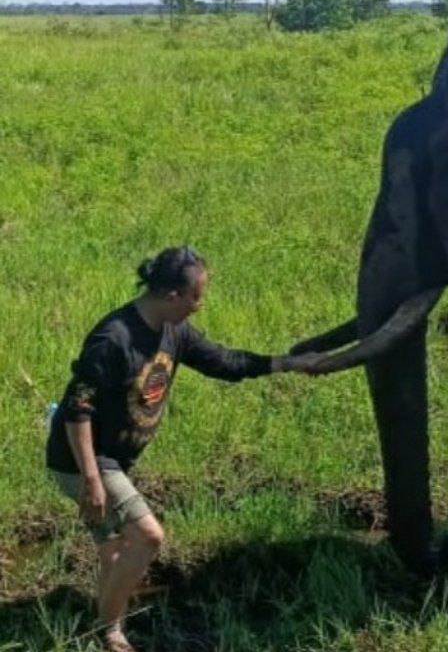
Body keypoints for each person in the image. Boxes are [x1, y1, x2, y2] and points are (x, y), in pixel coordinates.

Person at [44, 246, 323, 652]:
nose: (200, 304)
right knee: (148, 537)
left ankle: (101, 620)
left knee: (115, 548)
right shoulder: (114, 339)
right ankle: (110, 631)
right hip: (81, 459)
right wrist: (91, 480)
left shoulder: (173, 331)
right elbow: (76, 407)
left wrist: (288, 364)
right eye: (196, 296)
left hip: (113, 459)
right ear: (172, 295)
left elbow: (223, 362)